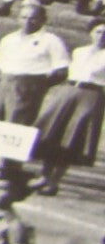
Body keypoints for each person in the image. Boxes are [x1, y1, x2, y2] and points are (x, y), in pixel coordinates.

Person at [0, 2, 69, 179]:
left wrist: (40, 86)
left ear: (43, 20)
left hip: (30, 83)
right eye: (24, 17)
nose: (28, 21)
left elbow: (62, 70)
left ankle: (7, 167)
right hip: (6, 80)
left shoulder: (51, 41)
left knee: (17, 125)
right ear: (18, 18)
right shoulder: (9, 39)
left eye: (33, 18)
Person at [30, 18, 105, 195]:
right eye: (98, 32)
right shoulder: (79, 51)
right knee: (54, 132)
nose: (101, 36)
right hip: (68, 92)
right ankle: (44, 175)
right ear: (91, 33)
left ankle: (54, 181)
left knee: (73, 137)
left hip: (91, 95)